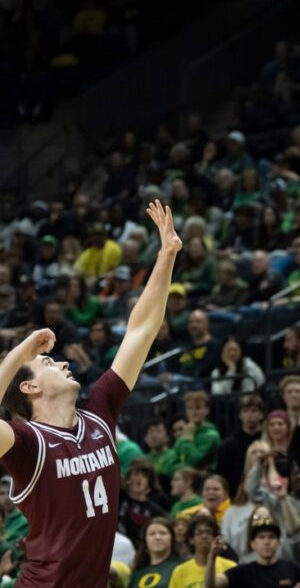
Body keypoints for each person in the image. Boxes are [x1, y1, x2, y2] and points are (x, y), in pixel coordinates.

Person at [0, 200, 181, 586]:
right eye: (49, 364)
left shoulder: (99, 411)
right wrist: (21, 351)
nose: (63, 363)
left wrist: (166, 257)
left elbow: (140, 331)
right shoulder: (26, 443)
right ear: (28, 386)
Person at [205, 515, 300, 588]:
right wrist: (212, 557)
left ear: (278, 543)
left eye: (271, 537)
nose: (267, 542)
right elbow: (211, 585)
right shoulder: (243, 573)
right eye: (261, 537)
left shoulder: (293, 569)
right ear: (252, 544)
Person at [215, 394, 265, 496]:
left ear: (261, 414)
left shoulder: (269, 440)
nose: (249, 415)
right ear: (240, 415)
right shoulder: (228, 445)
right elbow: (222, 477)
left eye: (253, 411)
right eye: (245, 411)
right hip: (237, 498)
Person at [169, 513, 236, 587]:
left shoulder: (230, 566)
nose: (204, 536)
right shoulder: (180, 571)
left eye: (208, 532)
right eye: (199, 533)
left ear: (215, 538)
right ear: (191, 539)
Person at [129, 517, 180, 588]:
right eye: (152, 534)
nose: (157, 537)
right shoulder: (137, 572)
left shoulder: (181, 566)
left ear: (172, 538)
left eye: (163, 533)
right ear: (145, 541)